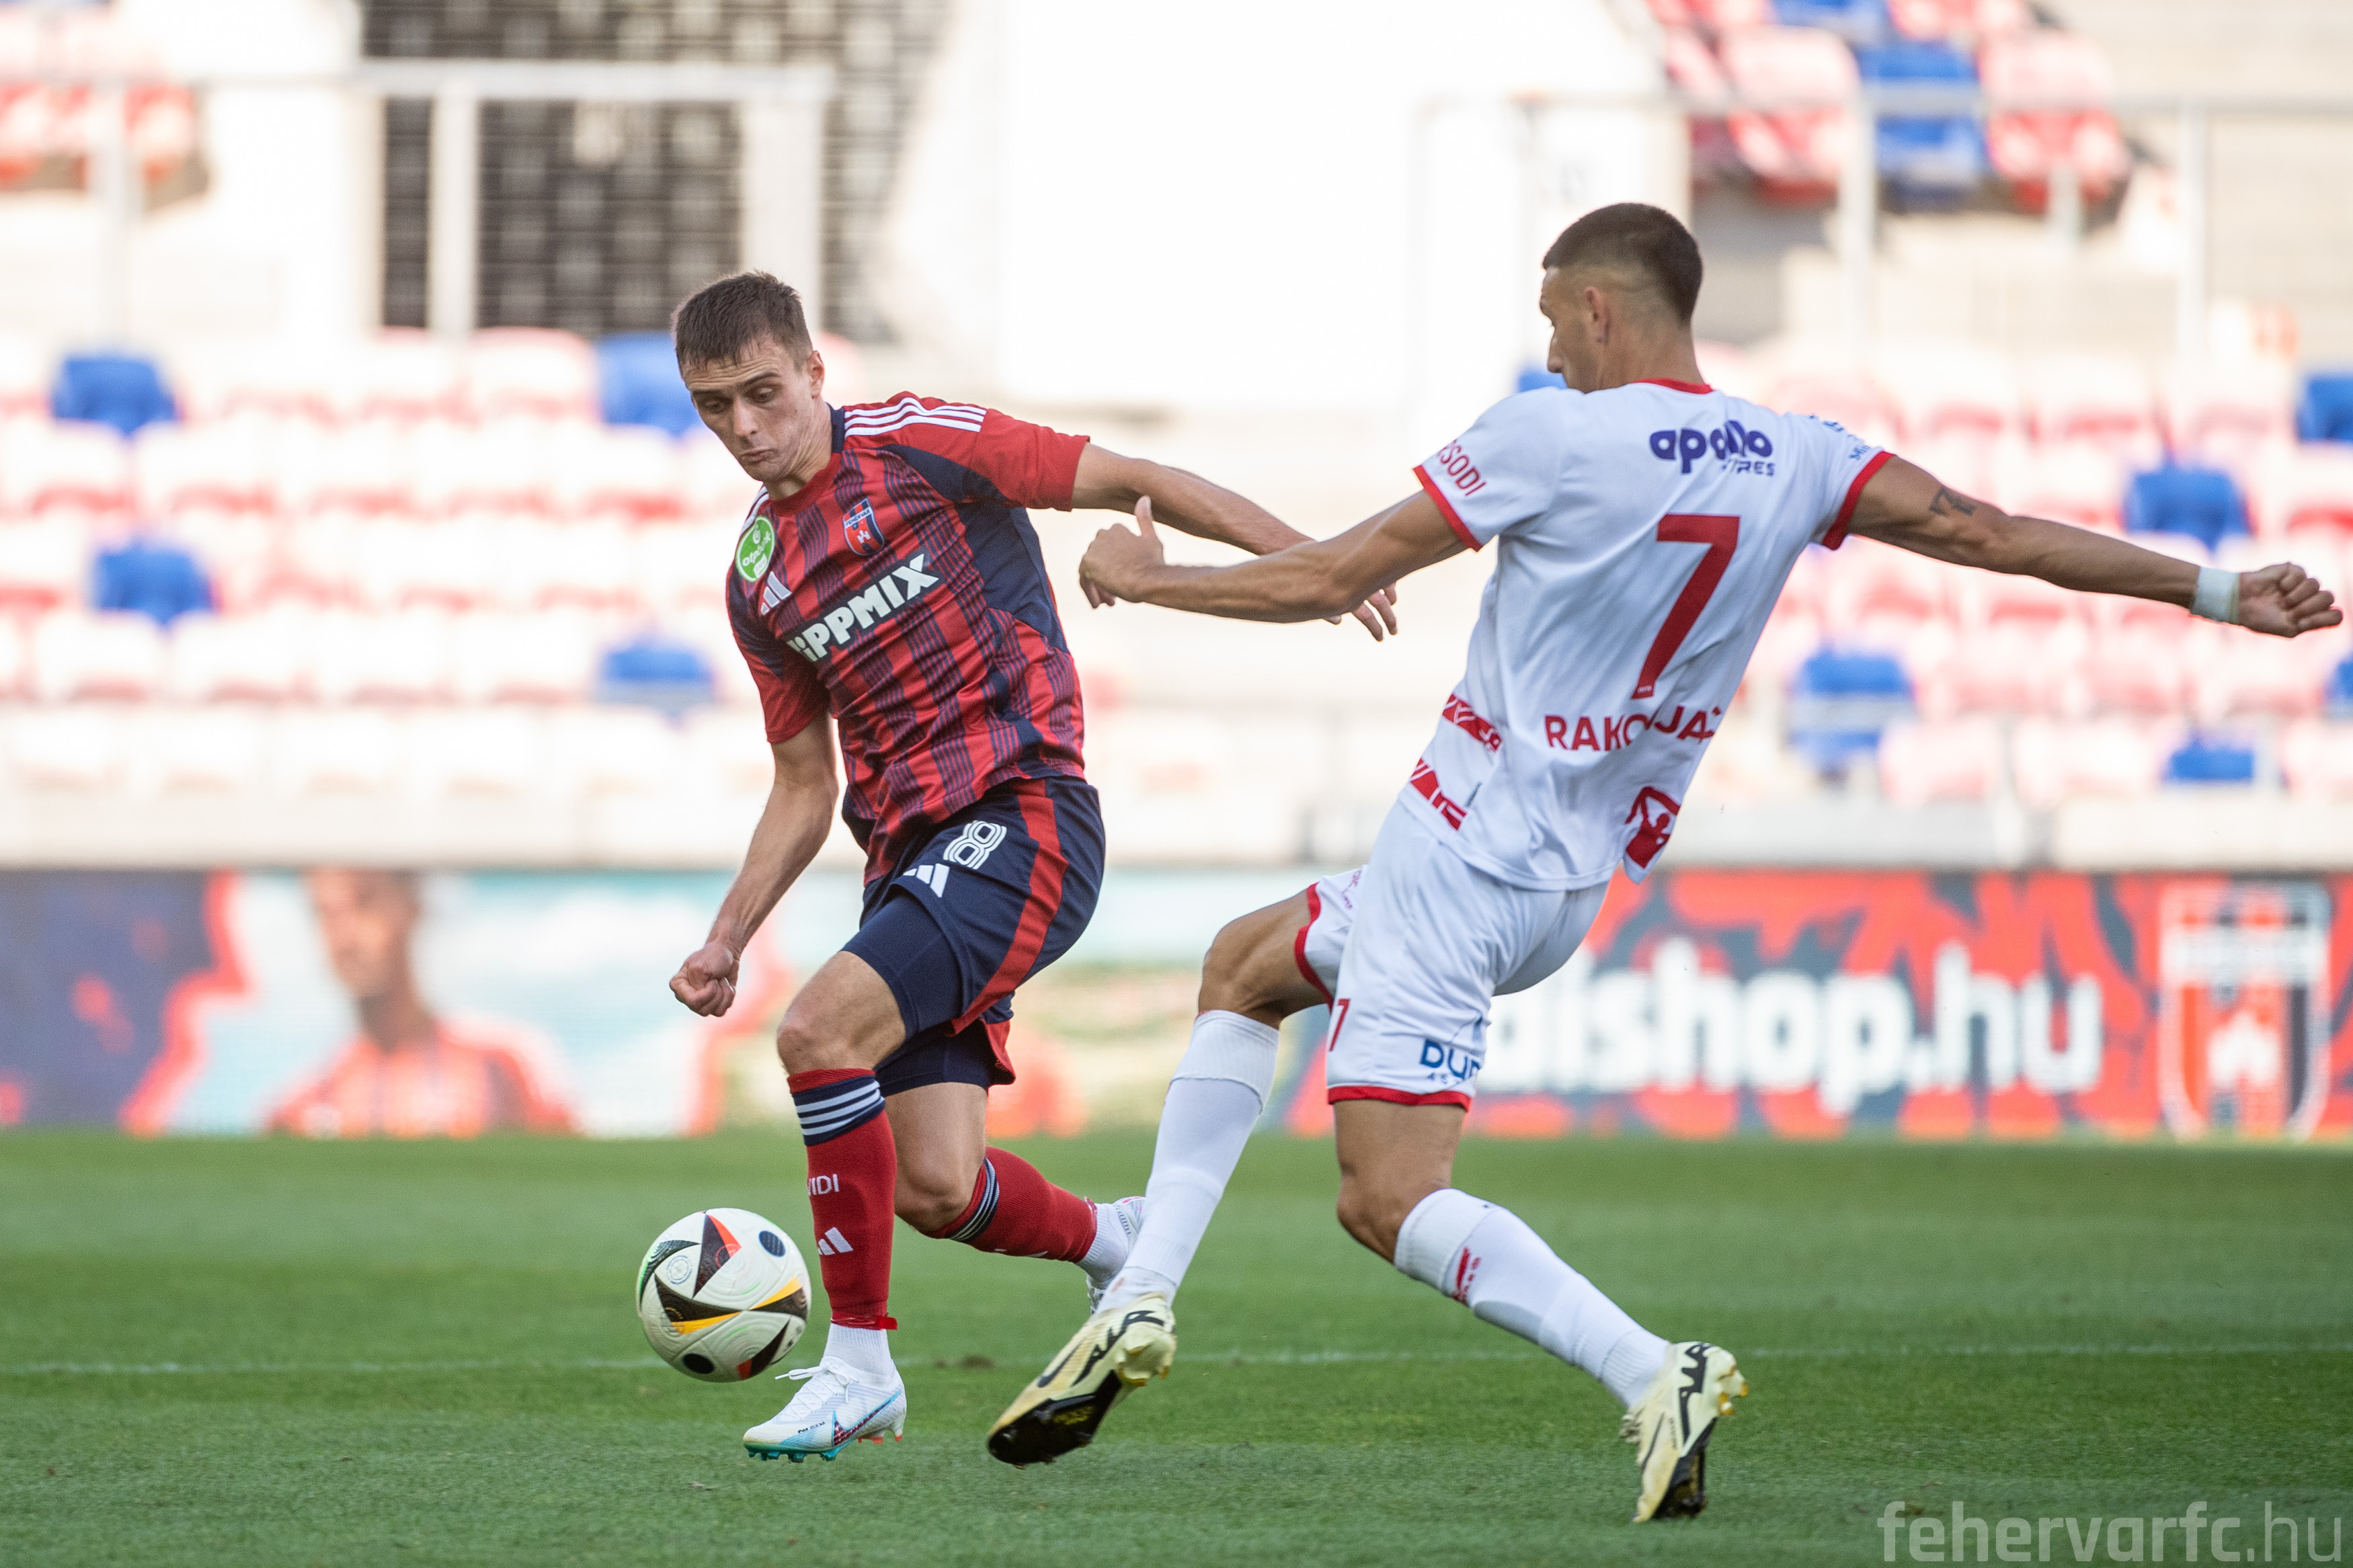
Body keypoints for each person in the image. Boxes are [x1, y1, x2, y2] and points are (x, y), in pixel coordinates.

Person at [986, 203, 2342, 1519]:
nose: (1549, 355)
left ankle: (1647, 1366)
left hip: (1461, 859)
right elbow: (1989, 534)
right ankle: (1137, 1287)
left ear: (1596, 306)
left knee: (1384, 1195)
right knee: (1249, 958)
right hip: (1567, 882)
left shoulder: (1550, 435)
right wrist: (2212, 592)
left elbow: (1331, 578)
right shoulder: (1795, 453)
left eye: (1552, 324)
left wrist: (1142, 578)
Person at [662, 272, 1395, 1462]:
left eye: (760, 392)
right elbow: (806, 782)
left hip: (1024, 815)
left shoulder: (924, 446)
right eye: (714, 408)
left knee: (816, 1033)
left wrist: (1317, 563)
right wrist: (728, 933)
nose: (745, 427)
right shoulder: (759, 577)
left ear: (811, 372)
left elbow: (1138, 480)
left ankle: (859, 1369)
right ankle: (1119, 1243)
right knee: (937, 1187)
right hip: (911, 863)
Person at [271, 868, 573, 1139]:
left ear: (412, 905)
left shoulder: (505, 1063)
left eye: (365, 904)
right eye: (325, 914)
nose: (346, 937)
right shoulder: (303, 1103)